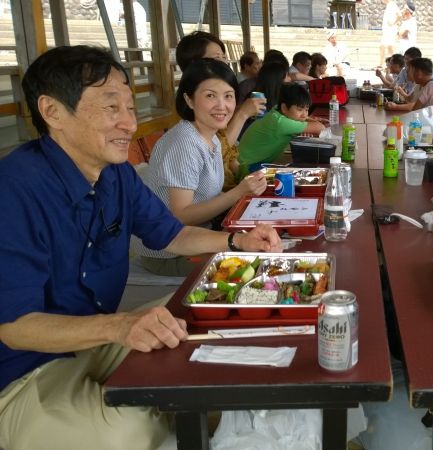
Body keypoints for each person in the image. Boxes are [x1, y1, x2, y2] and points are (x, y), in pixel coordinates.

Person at [0, 45, 282, 450]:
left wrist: (238, 241)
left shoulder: (116, 175)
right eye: (111, 107)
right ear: (52, 111)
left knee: (213, 310)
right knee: (128, 434)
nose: (128, 124)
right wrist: (119, 326)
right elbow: (15, 327)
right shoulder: (15, 190)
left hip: (98, 339)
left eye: (131, 108)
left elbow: (173, 234)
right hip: (25, 372)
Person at [132, 58, 270, 276]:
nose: (222, 106)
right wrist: (238, 192)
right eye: (210, 96)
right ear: (189, 99)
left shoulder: (211, 138)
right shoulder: (184, 144)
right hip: (169, 254)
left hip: (202, 238)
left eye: (228, 96)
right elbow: (181, 216)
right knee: (261, 266)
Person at [175, 31, 266, 192]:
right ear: (196, 64)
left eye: (224, 57)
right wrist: (242, 114)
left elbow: (227, 156)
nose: (224, 63)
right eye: (218, 57)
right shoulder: (186, 124)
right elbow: (217, 155)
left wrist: (249, 177)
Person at [238, 83, 326, 177]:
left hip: (251, 162)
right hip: (246, 168)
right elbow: (321, 128)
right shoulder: (280, 123)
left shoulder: (277, 111)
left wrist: (309, 120)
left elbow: (307, 120)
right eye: (300, 109)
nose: (304, 115)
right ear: (284, 108)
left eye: (306, 109)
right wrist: (312, 123)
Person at [380, 0, 401, 65]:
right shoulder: (389, 5)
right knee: (384, 47)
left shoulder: (392, 4)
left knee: (389, 47)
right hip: (386, 30)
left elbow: (399, 15)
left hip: (391, 30)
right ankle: (383, 64)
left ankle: (396, 63)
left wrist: (393, 22)